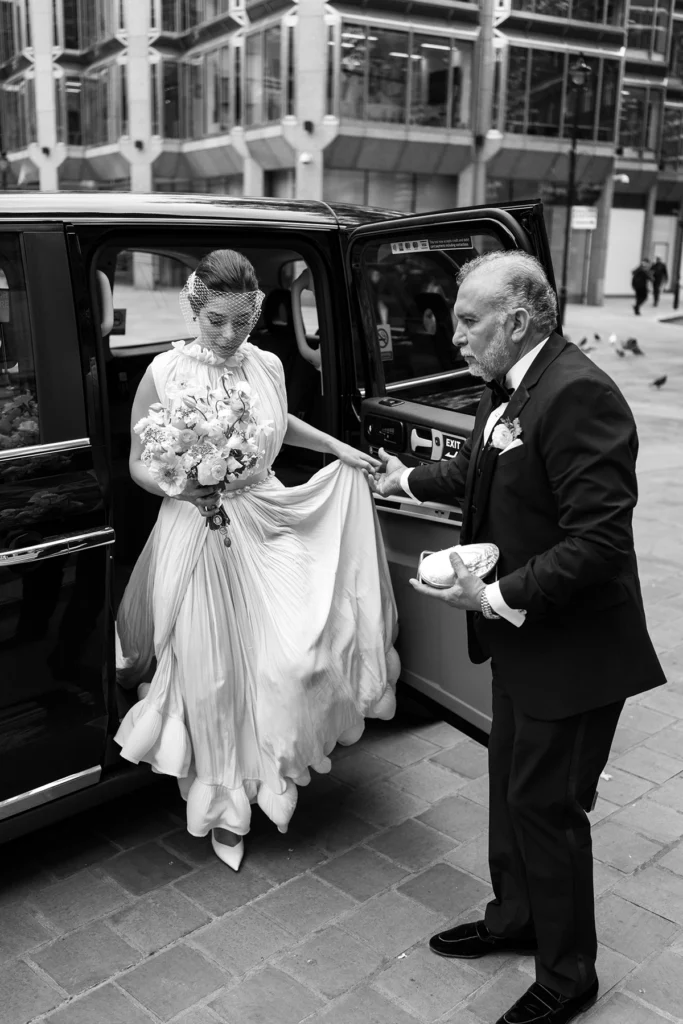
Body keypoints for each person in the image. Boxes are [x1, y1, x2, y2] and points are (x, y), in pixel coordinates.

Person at [373, 250, 665, 1024]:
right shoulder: (509, 387)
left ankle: (568, 975)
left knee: (547, 807)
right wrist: (402, 478)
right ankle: (514, 919)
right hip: (521, 643)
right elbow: (482, 465)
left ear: (518, 319)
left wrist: (492, 593)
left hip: (573, 653)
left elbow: (597, 540)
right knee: (510, 789)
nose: (454, 335)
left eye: (469, 320)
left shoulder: (579, 394)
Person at [115, 249, 399, 871]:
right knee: (212, 676)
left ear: (256, 315)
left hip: (266, 518)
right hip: (194, 528)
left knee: (290, 657)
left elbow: (279, 423)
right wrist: (180, 487)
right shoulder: (163, 373)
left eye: (241, 323)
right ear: (196, 307)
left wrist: (338, 448)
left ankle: (273, 766)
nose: (227, 335)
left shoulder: (267, 363)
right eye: (216, 320)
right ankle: (223, 804)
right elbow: (138, 459)